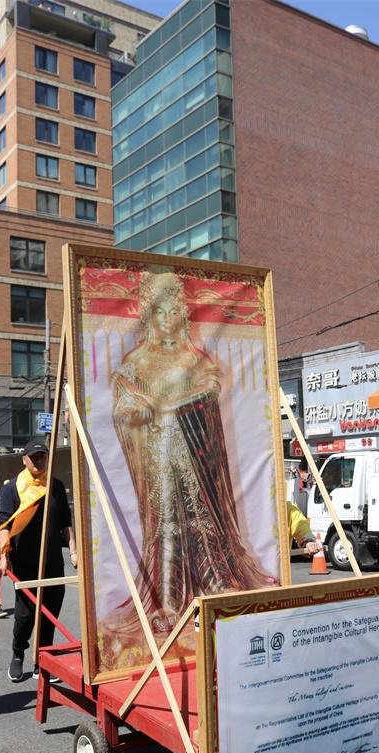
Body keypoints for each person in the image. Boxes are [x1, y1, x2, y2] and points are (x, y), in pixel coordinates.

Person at [109, 271, 277, 649]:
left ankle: (215, 580)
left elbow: (211, 385)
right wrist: (138, 409)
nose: (168, 320)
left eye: (175, 312)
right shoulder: (135, 362)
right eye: (161, 312)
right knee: (167, 523)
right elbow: (122, 407)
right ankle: (168, 599)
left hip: (197, 455)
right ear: (149, 317)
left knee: (204, 518)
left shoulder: (194, 358)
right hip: (159, 457)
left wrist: (182, 403)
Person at [0, 440, 76, 682]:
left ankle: (43, 661)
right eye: (34, 457)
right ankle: (18, 652)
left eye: (42, 456)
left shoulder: (55, 485)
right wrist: (3, 555)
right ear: (24, 459)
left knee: (49, 614)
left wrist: (73, 552)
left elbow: (66, 523)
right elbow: (5, 525)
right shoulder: (13, 488)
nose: (39, 461)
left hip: (53, 561)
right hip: (24, 562)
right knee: (25, 616)